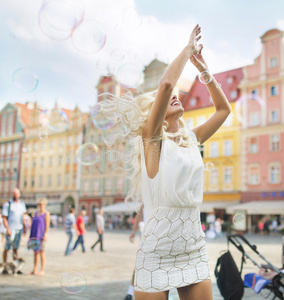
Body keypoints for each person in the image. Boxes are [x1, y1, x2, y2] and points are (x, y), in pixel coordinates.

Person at [99, 24, 231, 299]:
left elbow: (223, 109)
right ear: (154, 115)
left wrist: (203, 67)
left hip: (193, 244)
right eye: (165, 100)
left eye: (174, 98)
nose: (173, 96)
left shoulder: (192, 139)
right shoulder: (152, 142)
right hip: (158, 249)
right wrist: (187, 50)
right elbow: (166, 84)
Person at [2, 188, 27, 274]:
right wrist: (7, 229)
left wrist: (25, 227)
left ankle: (15, 267)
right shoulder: (8, 204)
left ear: (19, 195)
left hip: (19, 229)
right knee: (6, 248)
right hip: (11, 229)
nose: (16, 195)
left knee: (16, 248)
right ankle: (4, 266)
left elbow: (23, 216)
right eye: (14, 193)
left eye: (17, 193)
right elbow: (4, 218)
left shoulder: (22, 204)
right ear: (12, 194)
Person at [28, 198, 50, 276]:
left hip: (41, 235)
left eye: (41, 204)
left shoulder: (46, 213)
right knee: (35, 252)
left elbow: (47, 224)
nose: (40, 206)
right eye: (39, 204)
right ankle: (35, 269)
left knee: (41, 252)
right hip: (34, 235)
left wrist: (45, 234)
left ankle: (42, 270)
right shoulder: (36, 213)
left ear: (45, 205)